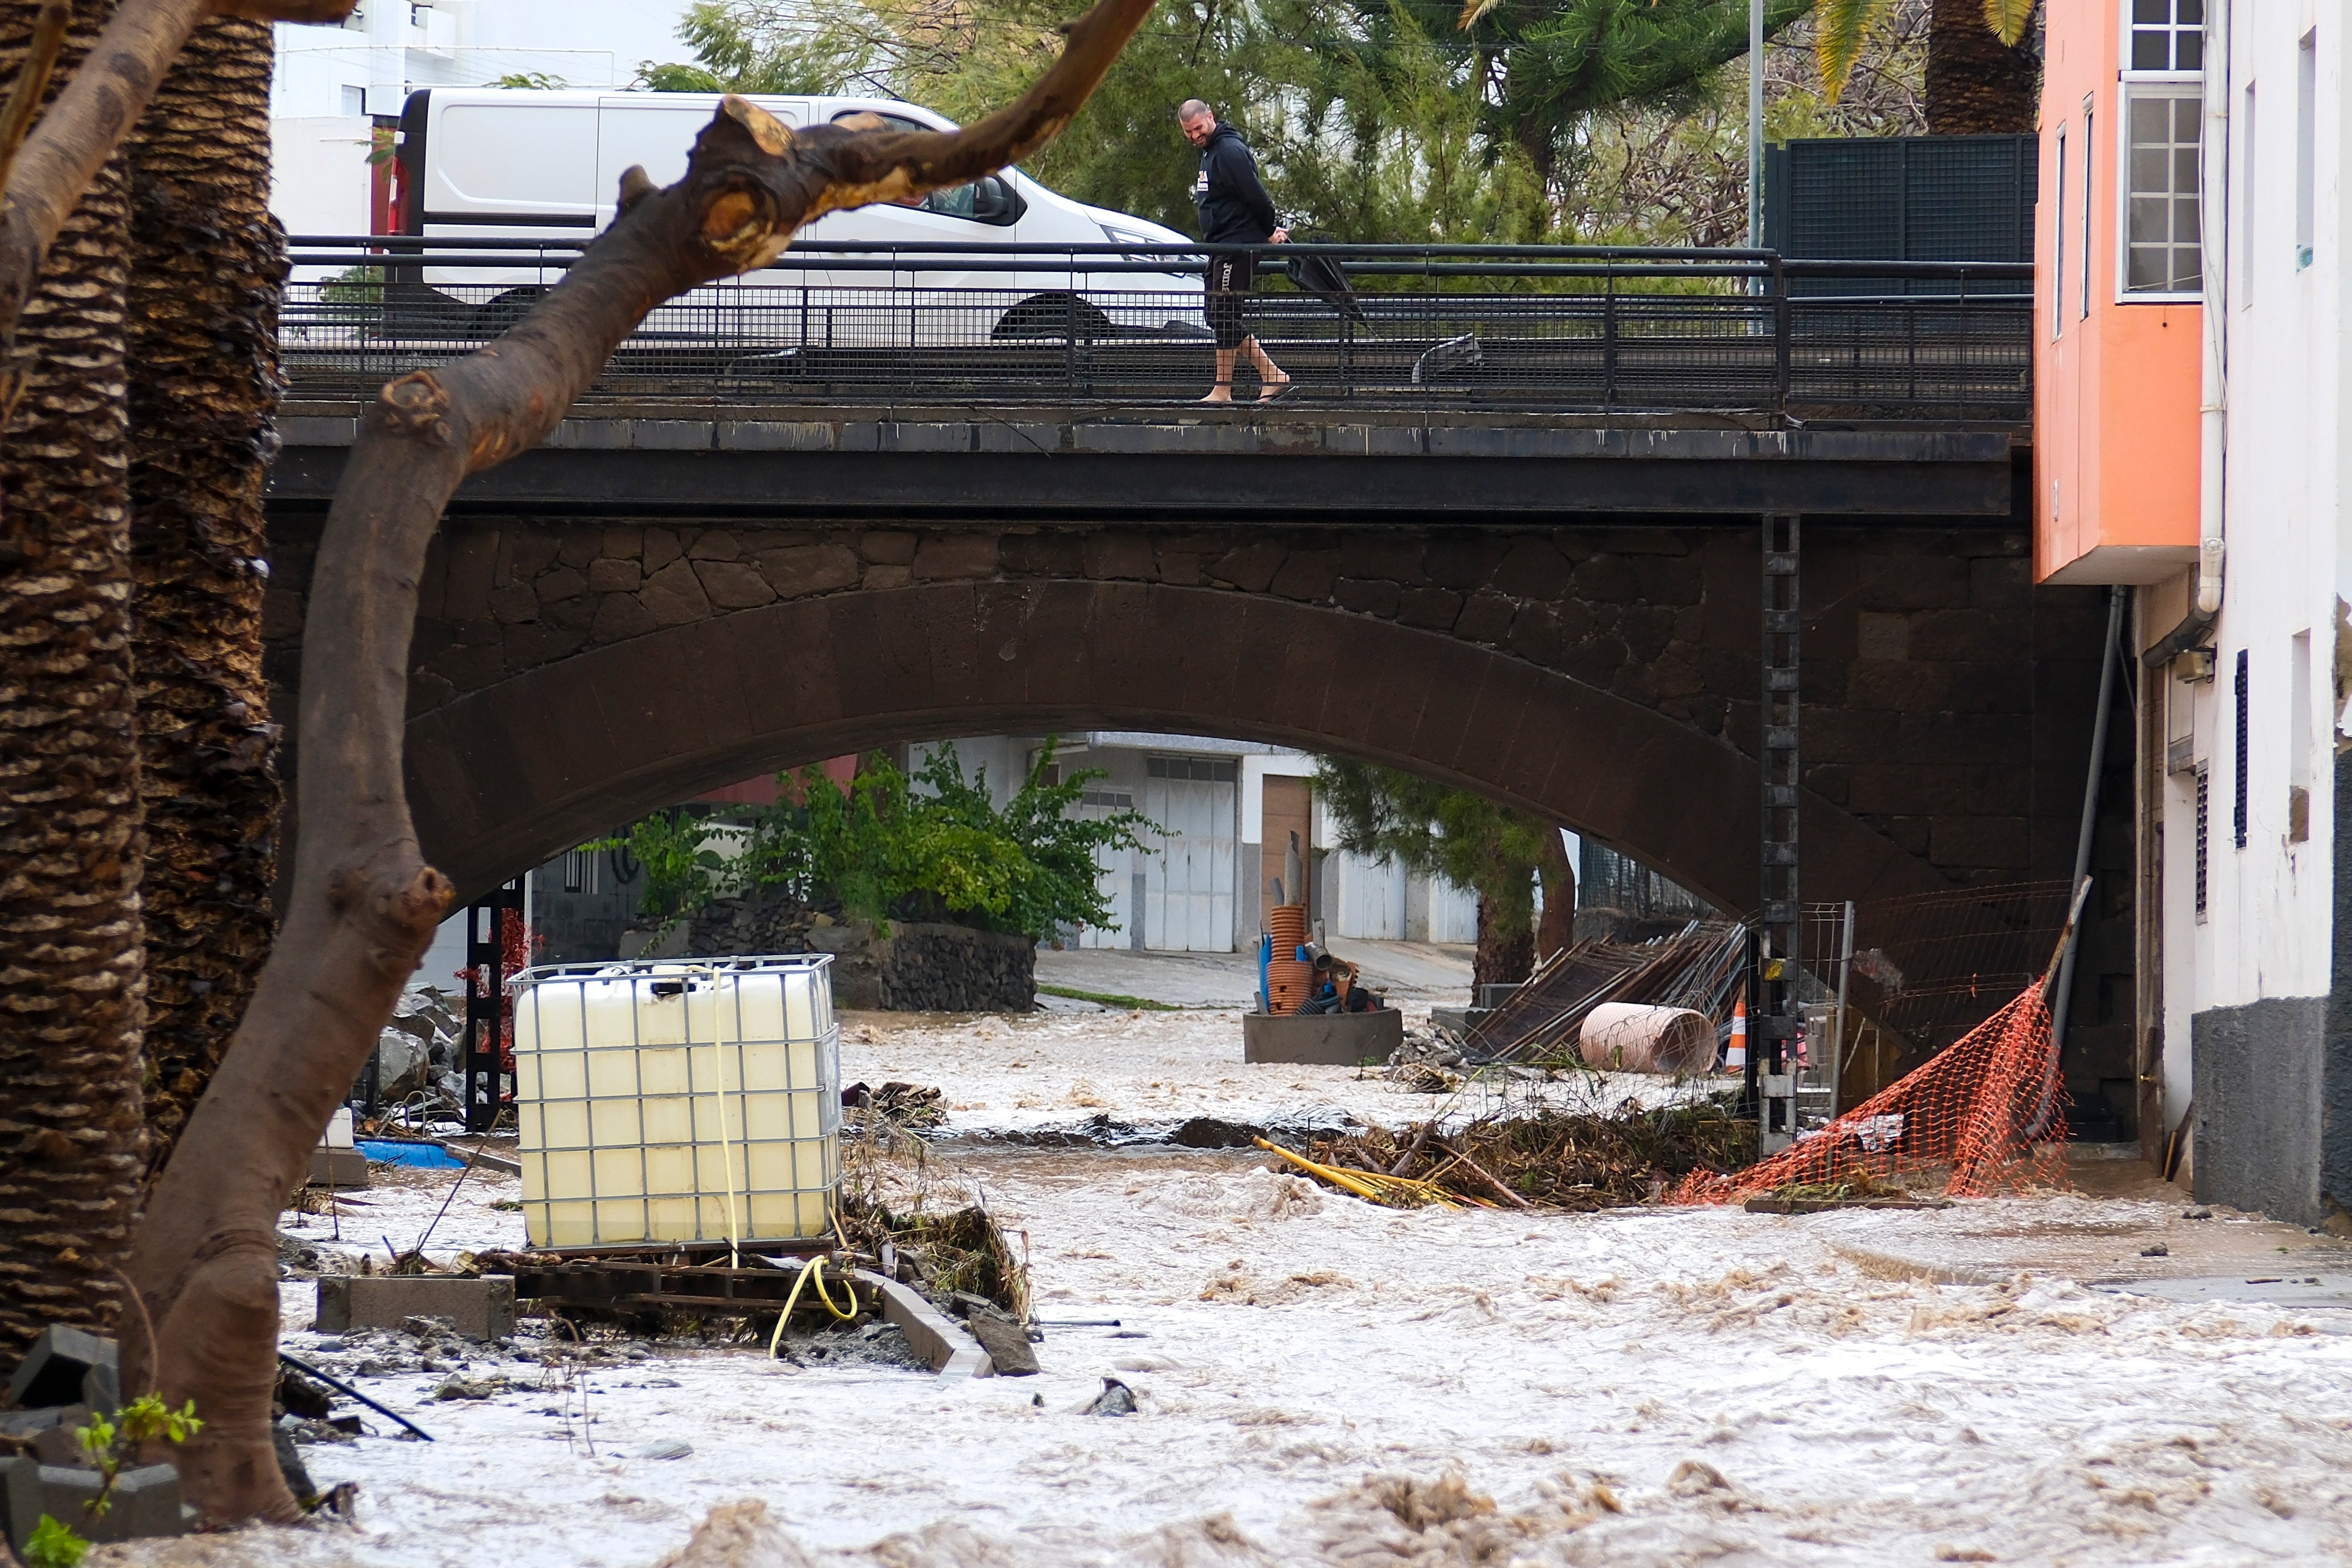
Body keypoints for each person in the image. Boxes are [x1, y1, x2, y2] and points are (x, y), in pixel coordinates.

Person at [1178, 99, 1291, 404]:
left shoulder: (1229, 152)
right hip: (1221, 245)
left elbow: (1257, 196)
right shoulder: (1210, 152)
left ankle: (1260, 379)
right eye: (1188, 132)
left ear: (1210, 118)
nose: (1194, 136)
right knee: (1217, 315)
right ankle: (1232, 387)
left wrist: (1268, 231)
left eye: (1198, 128)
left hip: (1237, 245)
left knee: (1225, 314)